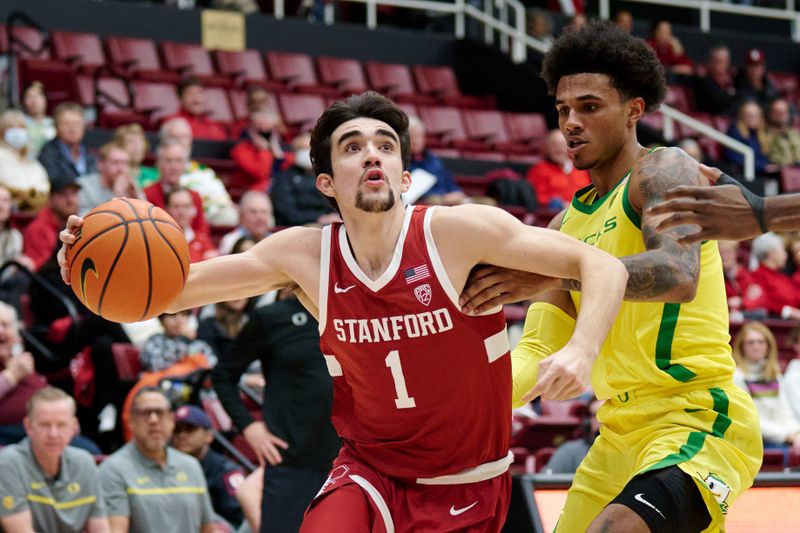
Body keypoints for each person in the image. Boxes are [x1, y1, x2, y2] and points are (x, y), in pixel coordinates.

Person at [60, 91, 629, 532]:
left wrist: (582, 348)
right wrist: (88, 271)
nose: (372, 154)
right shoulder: (304, 255)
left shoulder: (456, 232)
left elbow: (603, 265)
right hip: (369, 473)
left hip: (469, 482)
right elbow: (169, 291)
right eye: (353, 147)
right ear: (328, 182)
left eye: (385, 144)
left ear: (406, 176)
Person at [460, 23, 761, 532]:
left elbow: (676, 272)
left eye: (590, 107)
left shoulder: (665, 171)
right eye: (562, 110)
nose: (571, 123)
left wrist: (556, 275)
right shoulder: (564, 226)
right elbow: (537, 351)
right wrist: (464, 396)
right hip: (617, 433)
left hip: (695, 417)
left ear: (634, 110)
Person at [211, 289, 340, 533]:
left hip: (349, 460)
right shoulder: (271, 317)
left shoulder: (348, 311)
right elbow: (222, 375)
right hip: (291, 463)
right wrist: (249, 426)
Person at [98, 387, 221, 533]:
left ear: (171, 420)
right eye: (145, 413)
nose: (154, 420)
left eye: (160, 413)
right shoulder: (113, 469)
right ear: (131, 421)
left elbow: (208, 528)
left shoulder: (191, 466)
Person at [0, 387, 110, 533]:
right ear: (28, 426)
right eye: (45, 425)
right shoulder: (9, 462)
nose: (53, 434)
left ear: (74, 427)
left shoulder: (85, 462)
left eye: (61, 424)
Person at [171, 405, 246, 528]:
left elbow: (240, 520)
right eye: (177, 430)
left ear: (209, 436)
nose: (182, 435)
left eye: (190, 429)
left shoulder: (226, 470)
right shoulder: (167, 468)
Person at [731, 322, 800, 456]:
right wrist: (787, 436)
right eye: (751, 342)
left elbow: (785, 412)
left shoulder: (774, 373)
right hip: (756, 442)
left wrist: (796, 433)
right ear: (742, 347)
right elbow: (750, 420)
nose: (756, 346)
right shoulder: (737, 376)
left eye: (761, 342)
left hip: (782, 439)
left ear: (768, 346)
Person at [0, 302, 48, 445]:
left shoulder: (19, 360)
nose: (0, 330)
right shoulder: (16, 368)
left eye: (5, 325)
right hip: (11, 437)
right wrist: (11, 376)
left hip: (45, 429)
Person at [144, 139, 211, 239]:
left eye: (178, 161)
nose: (174, 166)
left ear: (185, 165)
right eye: (169, 160)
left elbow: (202, 232)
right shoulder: (147, 195)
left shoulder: (194, 196)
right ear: (159, 164)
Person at [270, 133, 339, 227]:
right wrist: (318, 218)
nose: (307, 152)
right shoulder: (284, 177)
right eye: (301, 149)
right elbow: (287, 212)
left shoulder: (327, 176)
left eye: (310, 148)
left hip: (330, 222)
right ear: (294, 152)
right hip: (298, 226)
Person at [23, 173, 80, 271]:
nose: (70, 200)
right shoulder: (37, 229)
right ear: (51, 198)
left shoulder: (79, 224)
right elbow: (41, 272)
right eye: (64, 194)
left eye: (73, 193)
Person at [407, 116, 467, 205]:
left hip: (446, 200)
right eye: (412, 136)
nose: (416, 140)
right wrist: (442, 198)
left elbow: (449, 181)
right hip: (424, 204)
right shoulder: (401, 160)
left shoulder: (433, 159)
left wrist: (456, 192)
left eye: (419, 136)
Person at [525, 129, 591, 209]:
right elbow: (538, 198)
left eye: (562, 144)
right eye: (553, 144)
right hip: (557, 214)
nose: (558, 148)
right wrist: (560, 204)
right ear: (547, 147)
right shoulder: (539, 170)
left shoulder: (581, 167)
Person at [0, 109, 50, 212]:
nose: (17, 132)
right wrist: (31, 193)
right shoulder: (2, 155)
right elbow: (11, 183)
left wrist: (34, 194)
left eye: (21, 127)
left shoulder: (31, 160)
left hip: (36, 210)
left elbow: (44, 184)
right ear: (2, 132)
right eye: (12, 128)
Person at [230, 110, 288, 193]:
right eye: (259, 128)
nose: (263, 130)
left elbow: (286, 174)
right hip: (251, 192)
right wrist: (264, 150)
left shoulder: (281, 149)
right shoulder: (240, 150)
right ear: (251, 130)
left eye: (268, 129)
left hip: (277, 191)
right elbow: (261, 175)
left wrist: (278, 155)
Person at [140, 310, 216, 373]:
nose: (179, 321)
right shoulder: (155, 340)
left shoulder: (196, 342)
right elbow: (154, 365)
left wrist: (192, 340)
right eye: (172, 315)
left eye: (183, 314)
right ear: (161, 321)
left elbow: (212, 362)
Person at [746, 232, 800, 319]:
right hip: (776, 327)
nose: (785, 256)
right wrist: (787, 311)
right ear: (771, 254)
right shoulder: (757, 276)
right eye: (782, 251)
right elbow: (761, 302)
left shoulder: (782, 276)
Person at [38, 102, 96, 182]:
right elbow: (55, 182)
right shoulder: (48, 154)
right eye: (66, 124)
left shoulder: (91, 152)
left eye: (77, 123)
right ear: (56, 127)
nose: (72, 128)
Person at [77, 142, 140, 215]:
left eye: (125, 163)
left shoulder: (131, 186)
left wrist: (137, 197)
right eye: (115, 163)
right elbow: (85, 221)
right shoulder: (84, 186)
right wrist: (117, 196)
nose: (121, 169)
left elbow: (147, 219)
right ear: (100, 164)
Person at [543, 398, 602, 475]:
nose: (604, 420)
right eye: (598, 415)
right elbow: (546, 484)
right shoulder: (569, 451)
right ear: (587, 421)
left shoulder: (622, 455)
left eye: (610, 416)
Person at [725, 100, 778, 177]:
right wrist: (762, 167)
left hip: (758, 172)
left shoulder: (761, 134)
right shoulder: (735, 130)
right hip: (742, 173)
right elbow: (734, 156)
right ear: (742, 116)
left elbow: (763, 157)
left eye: (755, 116)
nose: (752, 118)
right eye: (748, 115)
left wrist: (766, 166)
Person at [165, 188, 219, 263]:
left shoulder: (202, 239)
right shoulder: (161, 241)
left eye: (186, 206)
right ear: (167, 210)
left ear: (193, 210)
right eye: (176, 206)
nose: (182, 212)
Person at [168, 77, 228, 141]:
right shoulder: (173, 124)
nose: (196, 98)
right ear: (180, 99)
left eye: (200, 93)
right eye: (190, 94)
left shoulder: (215, 127)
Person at [218, 191, 273, 255]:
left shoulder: (277, 241)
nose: (260, 218)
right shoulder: (230, 240)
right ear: (242, 216)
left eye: (264, 212)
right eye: (253, 212)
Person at [693, 44, 738, 116]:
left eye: (723, 61)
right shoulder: (702, 81)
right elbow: (716, 103)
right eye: (717, 61)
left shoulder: (734, 80)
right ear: (709, 62)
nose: (720, 65)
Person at [112, 124, 158, 189]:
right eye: (130, 142)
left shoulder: (155, 174)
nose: (136, 147)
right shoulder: (116, 174)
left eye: (140, 141)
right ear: (120, 147)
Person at [21, 82, 56, 158]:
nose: (34, 101)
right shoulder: (18, 122)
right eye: (29, 97)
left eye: (38, 96)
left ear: (45, 99)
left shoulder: (54, 124)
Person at [766, 98, 800, 167]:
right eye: (777, 112)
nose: (780, 115)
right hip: (776, 174)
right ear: (770, 114)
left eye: (783, 112)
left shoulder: (795, 133)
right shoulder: (763, 134)